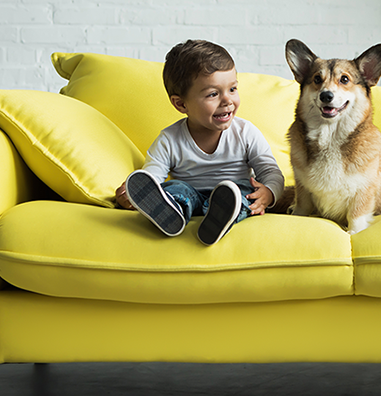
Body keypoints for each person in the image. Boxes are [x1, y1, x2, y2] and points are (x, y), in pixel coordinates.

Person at [115, 40, 285, 245]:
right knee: (175, 189)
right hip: (190, 196)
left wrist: (269, 193)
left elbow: (270, 172)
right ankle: (172, 213)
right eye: (213, 94)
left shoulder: (245, 132)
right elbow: (154, 177)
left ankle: (220, 219)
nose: (227, 100)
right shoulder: (170, 139)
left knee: (243, 193)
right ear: (181, 104)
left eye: (232, 89)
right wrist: (134, 195)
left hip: (231, 193)